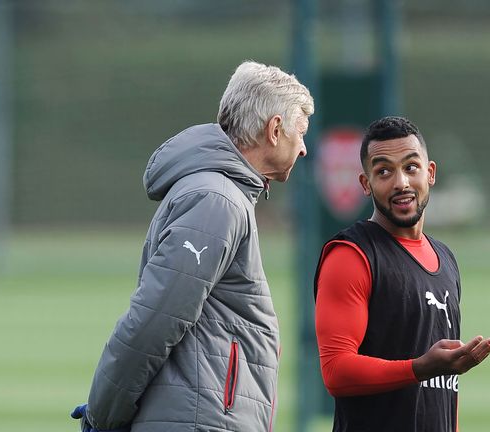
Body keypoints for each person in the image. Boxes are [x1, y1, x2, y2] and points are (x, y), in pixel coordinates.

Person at [70, 61, 314, 432]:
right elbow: (155, 319)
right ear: (275, 130)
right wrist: (102, 415)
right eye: (301, 133)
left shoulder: (219, 194)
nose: (304, 149)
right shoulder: (217, 200)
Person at [314, 116, 490, 432]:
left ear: (431, 173)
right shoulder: (351, 255)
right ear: (365, 184)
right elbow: (336, 371)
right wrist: (421, 367)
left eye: (411, 167)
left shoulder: (445, 258)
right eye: (384, 171)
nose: (401, 182)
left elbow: (444, 395)